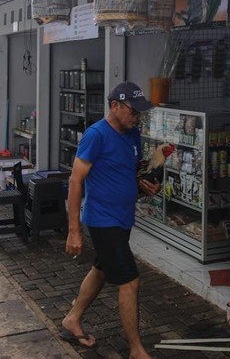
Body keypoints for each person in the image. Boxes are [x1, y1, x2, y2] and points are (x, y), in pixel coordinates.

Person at [62, 81, 160, 358]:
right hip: (103, 220)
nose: (136, 116)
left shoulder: (132, 134)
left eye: (140, 112)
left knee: (102, 270)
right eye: (132, 110)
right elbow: (75, 181)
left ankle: (72, 319)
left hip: (123, 218)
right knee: (129, 280)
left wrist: (144, 184)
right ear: (115, 106)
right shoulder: (96, 135)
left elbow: (128, 172)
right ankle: (136, 349)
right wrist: (74, 231)